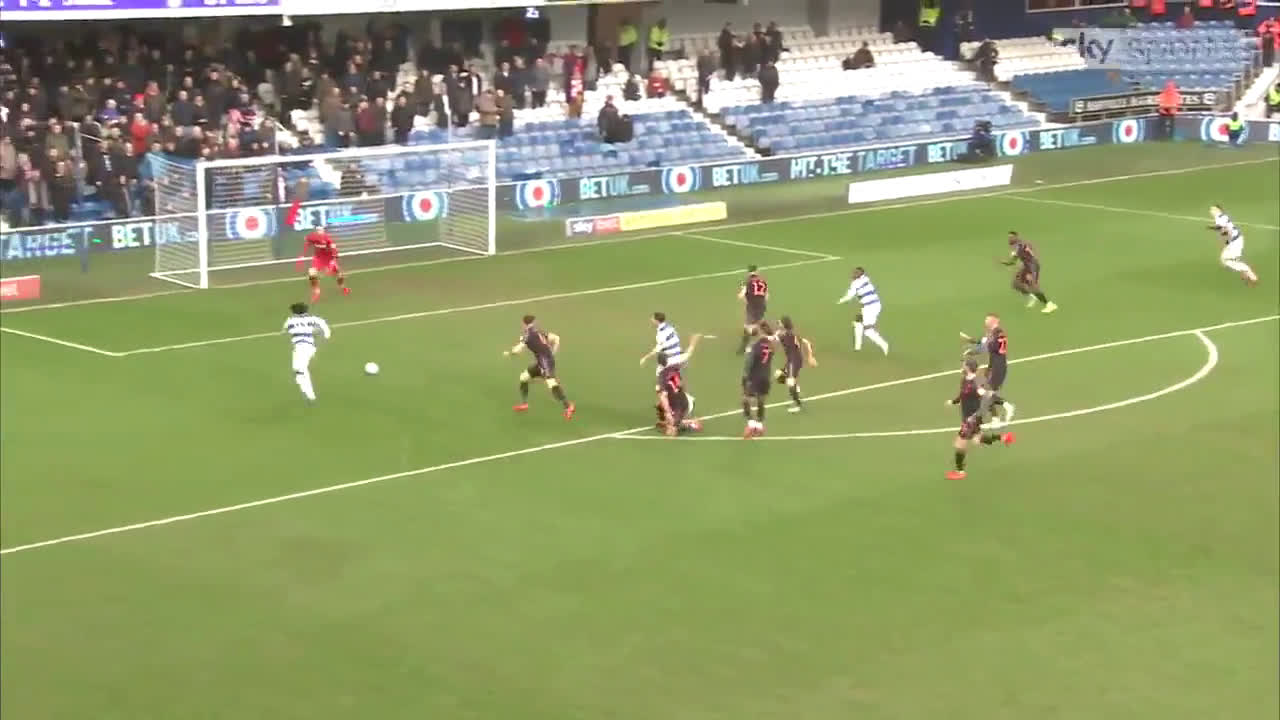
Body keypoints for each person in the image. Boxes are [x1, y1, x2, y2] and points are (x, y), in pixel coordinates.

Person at [944, 356, 1014, 481]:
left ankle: (959, 471)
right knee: (977, 439)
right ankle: (1003, 438)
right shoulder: (964, 379)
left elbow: (989, 396)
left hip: (973, 418)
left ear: (968, 367)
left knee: (959, 444)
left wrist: (1004, 403)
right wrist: (953, 402)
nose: (962, 366)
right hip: (968, 417)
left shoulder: (976, 383)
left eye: (964, 364)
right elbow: (962, 395)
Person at [505, 314, 576, 419]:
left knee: (552, 384)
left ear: (523, 324)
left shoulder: (527, 335)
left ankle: (568, 406)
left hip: (545, 363)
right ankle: (524, 404)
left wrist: (510, 353)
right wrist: (553, 353)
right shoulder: (539, 332)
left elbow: (518, 350)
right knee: (524, 378)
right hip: (541, 363)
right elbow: (556, 338)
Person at [963, 313, 1015, 428]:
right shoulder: (993, 333)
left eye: (987, 319)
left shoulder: (997, 333)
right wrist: (977, 344)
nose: (985, 321)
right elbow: (985, 345)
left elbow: (990, 347)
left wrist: (974, 350)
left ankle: (1006, 406)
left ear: (994, 320)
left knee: (986, 393)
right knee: (983, 391)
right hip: (994, 366)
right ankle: (996, 419)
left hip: (998, 368)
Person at [283, 302, 332, 404]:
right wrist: (320, 336)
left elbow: (285, 330)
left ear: (294, 312)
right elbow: (326, 332)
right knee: (298, 369)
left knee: (301, 369)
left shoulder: (290, 321)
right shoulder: (315, 319)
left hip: (301, 347)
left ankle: (310, 395)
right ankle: (305, 388)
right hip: (310, 347)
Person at [837, 267, 889, 354]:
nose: (853, 274)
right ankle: (857, 346)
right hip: (873, 305)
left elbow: (849, 296)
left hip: (870, 307)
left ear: (860, 274)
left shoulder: (855, 283)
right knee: (858, 321)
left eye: (856, 273)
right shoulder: (866, 279)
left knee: (868, 331)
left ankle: (884, 344)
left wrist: (839, 301)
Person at [1004, 232, 1057, 313]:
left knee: (1033, 287)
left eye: (1011, 237)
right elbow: (1013, 261)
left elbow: (1014, 260)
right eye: (1009, 237)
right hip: (1026, 266)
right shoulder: (1019, 246)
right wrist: (1005, 262)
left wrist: (1009, 262)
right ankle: (1032, 296)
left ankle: (1049, 305)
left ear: (1016, 237)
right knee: (1015, 284)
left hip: (1032, 267)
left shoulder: (1019, 247)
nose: (1009, 239)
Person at [773, 316, 817, 413]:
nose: (779, 324)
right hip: (792, 360)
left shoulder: (786, 335)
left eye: (780, 323)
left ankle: (797, 404)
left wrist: (810, 357)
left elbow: (772, 339)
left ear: (784, 325)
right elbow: (807, 343)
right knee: (779, 376)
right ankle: (797, 391)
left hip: (794, 361)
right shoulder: (790, 333)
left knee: (790, 382)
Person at [1209, 205, 1259, 285]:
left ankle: (1248, 272)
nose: (1211, 211)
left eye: (1213, 209)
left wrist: (1214, 228)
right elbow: (1223, 229)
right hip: (1235, 241)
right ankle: (1246, 273)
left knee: (1226, 260)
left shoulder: (1220, 217)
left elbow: (1225, 230)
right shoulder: (1221, 217)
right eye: (1211, 209)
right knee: (1226, 259)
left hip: (1235, 242)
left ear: (1219, 210)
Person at [655, 353, 702, 436]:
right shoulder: (674, 369)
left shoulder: (662, 376)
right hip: (685, 400)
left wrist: (668, 413)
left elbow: (663, 396)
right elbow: (681, 385)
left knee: (670, 432)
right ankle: (673, 421)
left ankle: (691, 423)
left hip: (680, 406)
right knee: (660, 406)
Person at [299, 225, 350, 302]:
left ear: (323, 231)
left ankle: (343, 287)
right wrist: (303, 254)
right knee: (312, 274)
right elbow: (307, 241)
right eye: (317, 230)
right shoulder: (312, 237)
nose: (319, 232)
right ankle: (316, 291)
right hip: (318, 259)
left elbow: (334, 252)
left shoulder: (328, 239)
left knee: (339, 275)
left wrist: (331, 264)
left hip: (328, 258)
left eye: (320, 230)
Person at [741, 323, 775, 438]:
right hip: (766, 377)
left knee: (745, 399)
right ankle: (760, 425)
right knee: (761, 400)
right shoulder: (770, 346)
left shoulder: (754, 346)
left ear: (760, 332)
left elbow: (749, 363)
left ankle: (751, 425)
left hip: (754, 377)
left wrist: (745, 377)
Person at [737, 264, 768, 354]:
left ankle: (743, 348)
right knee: (760, 320)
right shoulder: (763, 281)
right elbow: (766, 296)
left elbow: (741, 296)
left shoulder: (747, 282)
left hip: (752, 307)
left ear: (748, 272)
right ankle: (771, 336)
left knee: (748, 327)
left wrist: (743, 296)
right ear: (757, 271)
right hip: (762, 305)